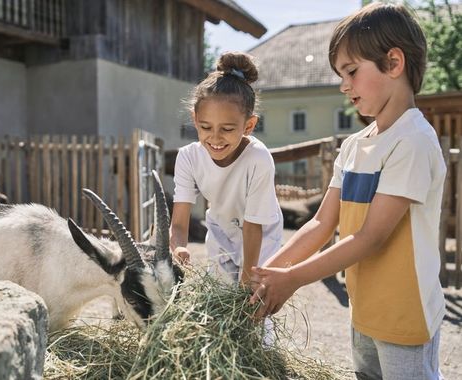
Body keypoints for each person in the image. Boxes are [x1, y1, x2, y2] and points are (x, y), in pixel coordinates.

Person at [250, 3, 446, 379]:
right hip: (364, 310)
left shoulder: (413, 141)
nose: (343, 85)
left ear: (393, 63)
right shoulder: (355, 146)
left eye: (352, 72)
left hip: (405, 316)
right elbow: (321, 223)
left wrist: (293, 279)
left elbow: (372, 237)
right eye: (341, 74)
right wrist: (268, 274)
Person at [170, 51, 283, 285]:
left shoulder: (258, 159)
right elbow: (179, 223)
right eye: (205, 126)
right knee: (218, 297)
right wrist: (179, 247)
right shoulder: (188, 158)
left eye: (228, 129)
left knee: (254, 303)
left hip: (261, 236)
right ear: (195, 120)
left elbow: (253, 225)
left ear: (249, 125)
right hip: (221, 230)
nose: (215, 138)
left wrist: (247, 279)